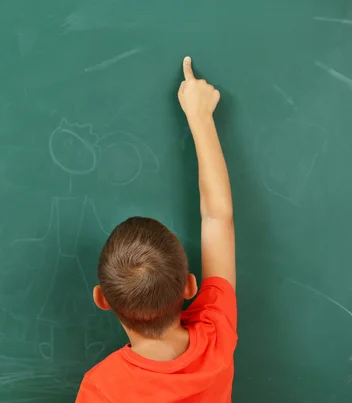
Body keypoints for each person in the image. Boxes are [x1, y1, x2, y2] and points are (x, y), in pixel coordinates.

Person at [76, 56, 236, 403]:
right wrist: (200, 116)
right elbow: (217, 217)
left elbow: (218, 217)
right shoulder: (216, 338)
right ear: (190, 285)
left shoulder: (102, 389)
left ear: (101, 298)